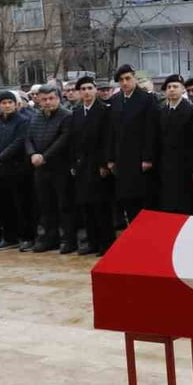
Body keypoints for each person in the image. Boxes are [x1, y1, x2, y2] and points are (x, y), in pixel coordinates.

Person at [26, 85, 74, 253]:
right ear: (38, 100)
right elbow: (28, 138)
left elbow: (64, 139)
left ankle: (68, 239)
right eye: (44, 99)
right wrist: (32, 153)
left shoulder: (66, 116)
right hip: (40, 168)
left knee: (64, 205)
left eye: (51, 98)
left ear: (58, 98)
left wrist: (44, 156)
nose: (48, 102)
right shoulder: (36, 117)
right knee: (45, 205)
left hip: (60, 168)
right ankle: (49, 238)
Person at [110, 64, 159, 224]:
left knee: (142, 200)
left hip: (139, 158)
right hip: (121, 159)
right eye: (121, 80)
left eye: (128, 78)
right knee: (127, 200)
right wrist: (110, 158)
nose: (124, 83)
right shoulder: (116, 100)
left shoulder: (146, 99)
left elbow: (150, 130)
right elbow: (112, 131)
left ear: (134, 78)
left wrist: (147, 158)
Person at [71, 76, 115, 256]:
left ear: (95, 90)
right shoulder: (76, 112)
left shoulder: (104, 110)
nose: (87, 92)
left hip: (98, 165)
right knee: (86, 205)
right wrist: (73, 162)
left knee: (101, 207)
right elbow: (73, 140)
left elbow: (107, 139)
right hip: (81, 166)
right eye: (83, 89)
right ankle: (92, 242)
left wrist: (104, 163)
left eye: (90, 88)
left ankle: (106, 243)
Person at [0, 90, 32, 251]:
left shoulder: (23, 121)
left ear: (15, 104)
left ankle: (27, 237)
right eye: (3, 103)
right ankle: (9, 238)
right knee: (4, 206)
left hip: (18, 169)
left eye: (9, 102)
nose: (6, 106)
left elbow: (19, 141)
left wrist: (0, 157)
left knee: (22, 205)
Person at [156, 74, 193, 214]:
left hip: (185, 165)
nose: (171, 90)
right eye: (169, 87)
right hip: (166, 164)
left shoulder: (190, 110)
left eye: (175, 86)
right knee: (168, 203)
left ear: (183, 90)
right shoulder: (162, 110)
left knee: (184, 204)